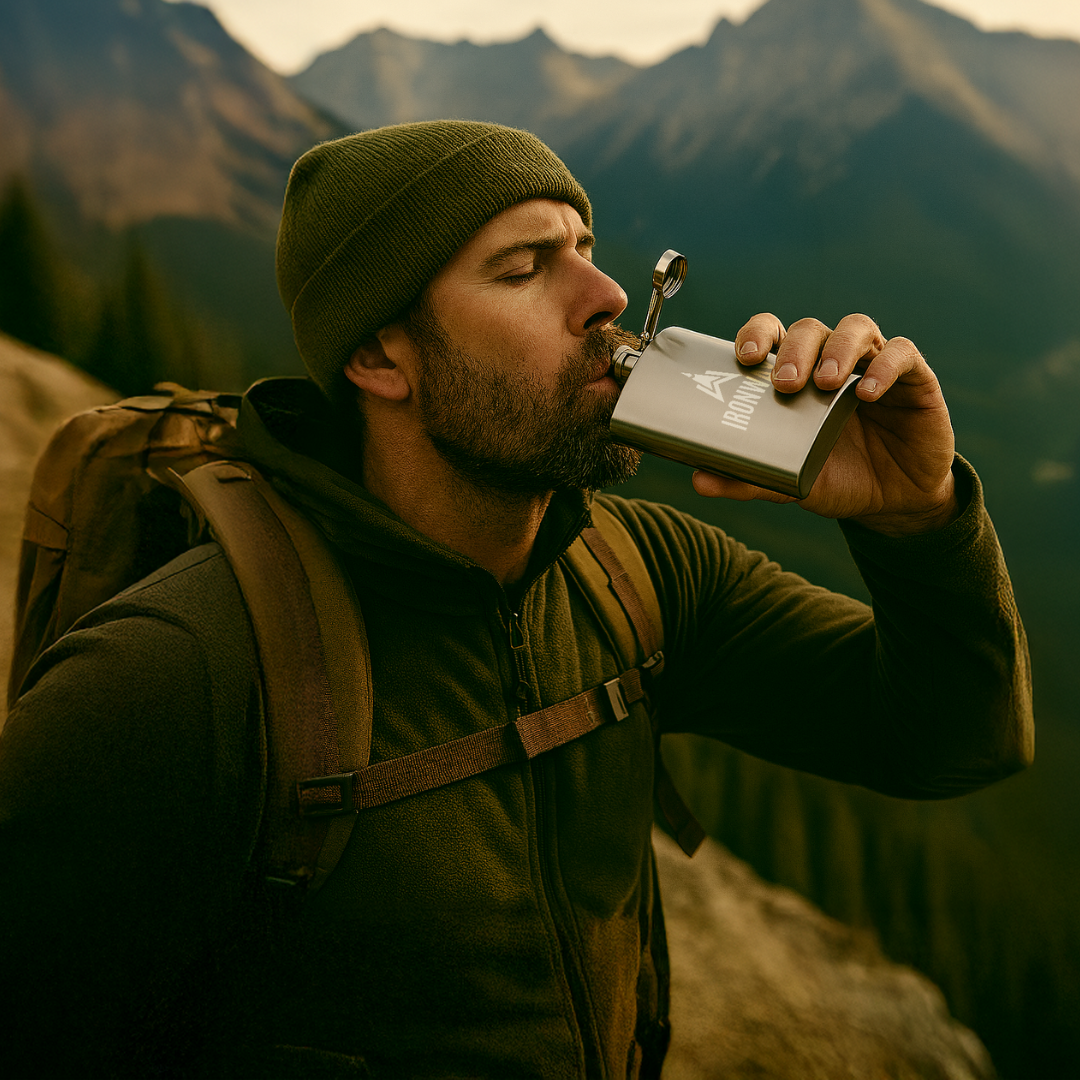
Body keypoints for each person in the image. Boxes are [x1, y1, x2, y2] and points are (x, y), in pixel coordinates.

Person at [0, 120, 1032, 1079]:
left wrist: (918, 516)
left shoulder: (641, 572)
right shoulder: (177, 669)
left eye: (585, 247)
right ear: (379, 357)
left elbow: (952, 740)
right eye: (523, 268)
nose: (608, 295)